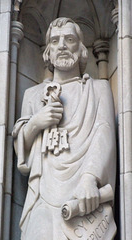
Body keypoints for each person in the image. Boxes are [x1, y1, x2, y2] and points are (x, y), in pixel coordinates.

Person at [13, 17, 116, 240]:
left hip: (82, 196)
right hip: (42, 195)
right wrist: (36, 123)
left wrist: (90, 177)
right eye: (55, 40)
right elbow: (21, 148)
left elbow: (104, 132)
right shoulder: (33, 95)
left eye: (69, 39)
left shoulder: (97, 89)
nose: (61, 46)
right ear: (47, 51)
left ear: (80, 49)